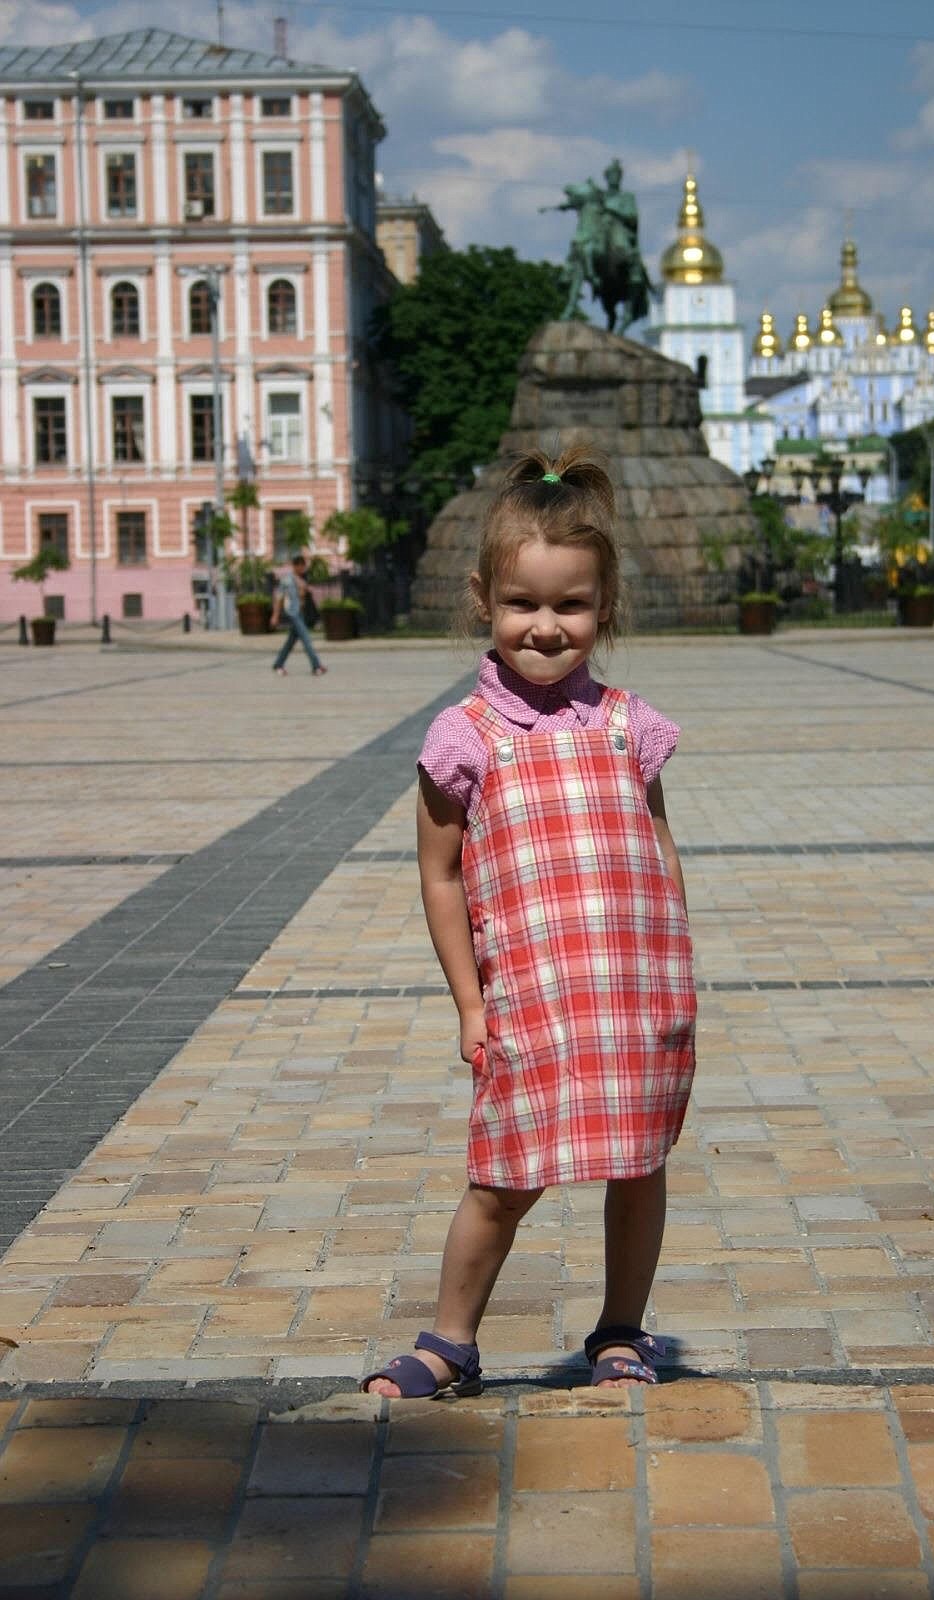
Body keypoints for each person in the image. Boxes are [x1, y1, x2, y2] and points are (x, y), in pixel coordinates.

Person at [361, 445, 696, 1399]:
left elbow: (658, 850)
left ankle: (621, 1331)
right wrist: (469, 1003)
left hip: (635, 995)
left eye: (571, 607)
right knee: (504, 1174)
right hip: (528, 999)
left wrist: (676, 972)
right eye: (523, 605)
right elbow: (439, 877)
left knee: (637, 1164)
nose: (545, 628)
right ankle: (452, 1341)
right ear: (484, 600)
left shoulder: (630, 726)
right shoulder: (466, 736)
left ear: (606, 607)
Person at [271, 553, 326, 676]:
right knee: (306, 639)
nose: (303, 569)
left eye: (304, 566)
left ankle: (278, 664)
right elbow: (279, 597)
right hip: (293, 613)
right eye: (301, 566)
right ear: (295, 566)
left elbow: (305, 594)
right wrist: (275, 615)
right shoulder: (287, 580)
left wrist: (305, 589)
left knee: (290, 642)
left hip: (300, 613)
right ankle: (316, 666)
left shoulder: (301, 579)